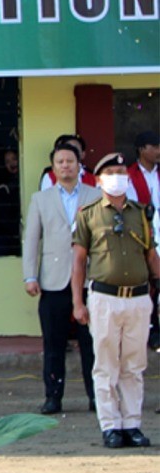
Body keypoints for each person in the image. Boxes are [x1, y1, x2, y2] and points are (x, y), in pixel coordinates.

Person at [72, 153, 159, 449]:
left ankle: (132, 424)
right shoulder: (88, 214)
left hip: (138, 297)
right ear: (98, 180)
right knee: (106, 365)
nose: (117, 177)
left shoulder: (140, 213)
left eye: (121, 171)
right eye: (110, 172)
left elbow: (151, 255)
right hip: (104, 298)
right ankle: (110, 426)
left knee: (134, 365)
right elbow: (79, 261)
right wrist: (78, 302)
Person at [24, 143, 100, 415]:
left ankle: (97, 396)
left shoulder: (95, 195)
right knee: (53, 343)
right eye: (60, 162)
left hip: (90, 279)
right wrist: (30, 275)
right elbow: (32, 240)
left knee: (92, 344)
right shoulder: (40, 199)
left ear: (79, 165)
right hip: (53, 279)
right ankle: (53, 397)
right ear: (53, 167)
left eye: (70, 161)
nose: (65, 165)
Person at [125, 130, 160, 350]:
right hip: (144, 234)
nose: (158, 151)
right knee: (148, 284)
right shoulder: (129, 175)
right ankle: (151, 330)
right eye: (154, 146)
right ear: (141, 149)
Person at [0, 148, 22, 257]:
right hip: (7, 235)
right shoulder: (2, 185)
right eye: (7, 161)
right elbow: (3, 215)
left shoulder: (24, 179)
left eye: (14, 159)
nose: (12, 163)